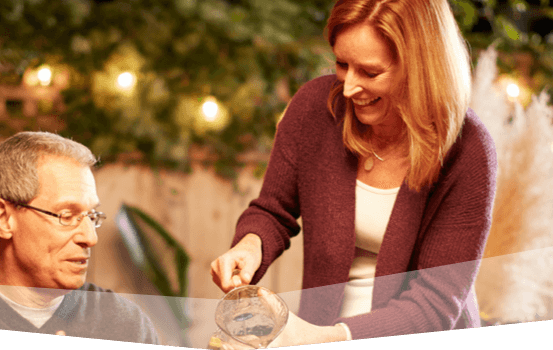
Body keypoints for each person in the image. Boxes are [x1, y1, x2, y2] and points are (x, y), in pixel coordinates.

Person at [211, 0, 497, 346]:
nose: (348, 88)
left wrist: (326, 336)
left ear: (421, 68)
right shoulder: (315, 109)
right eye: (342, 65)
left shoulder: (469, 150)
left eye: (370, 73)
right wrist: (251, 244)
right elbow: (273, 210)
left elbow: (435, 303)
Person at [0, 131, 160, 345]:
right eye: (66, 215)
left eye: (92, 216)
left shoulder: (124, 324)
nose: (90, 238)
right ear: (3, 219)